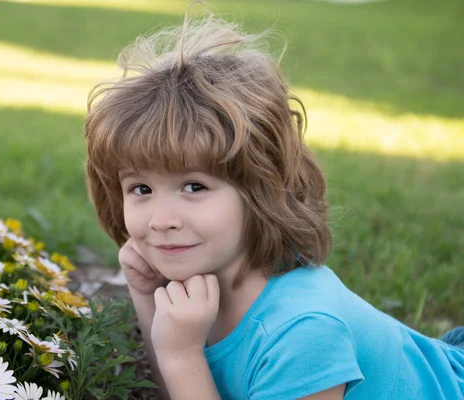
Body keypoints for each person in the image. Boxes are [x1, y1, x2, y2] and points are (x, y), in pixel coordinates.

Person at [83, 4, 464, 399]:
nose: (162, 219)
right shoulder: (202, 287)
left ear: (259, 190)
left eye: (194, 187)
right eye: (141, 189)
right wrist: (149, 298)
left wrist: (181, 356)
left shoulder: (302, 333)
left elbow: (185, 372)